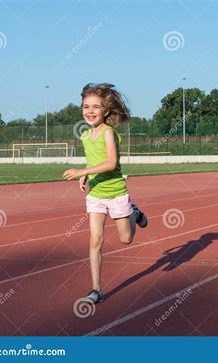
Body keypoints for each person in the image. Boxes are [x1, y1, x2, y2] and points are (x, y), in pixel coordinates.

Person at [62, 83, 147, 304]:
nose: (89, 111)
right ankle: (96, 289)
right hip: (96, 194)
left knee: (125, 238)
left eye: (95, 107)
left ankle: (134, 213)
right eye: (85, 106)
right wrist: (86, 175)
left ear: (106, 111)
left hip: (116, 192)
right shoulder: (85, 136)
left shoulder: (108, 133)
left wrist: (84, 171)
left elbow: (110, 163)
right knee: (96, 239)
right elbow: (94, 160)